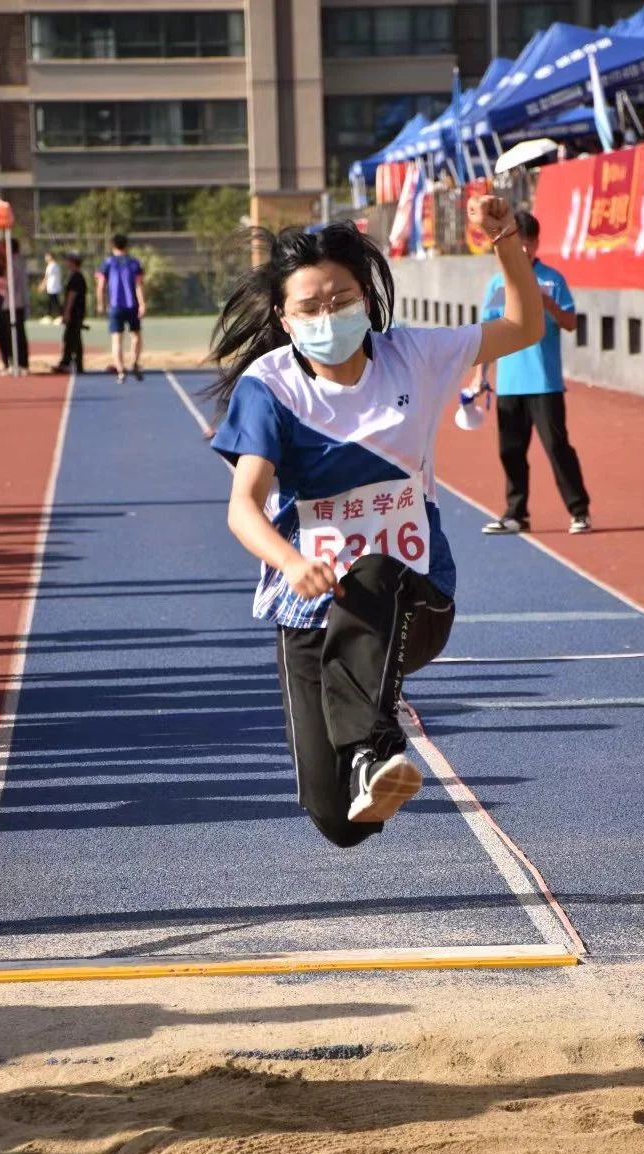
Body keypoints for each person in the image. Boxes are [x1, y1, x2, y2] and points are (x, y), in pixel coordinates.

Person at [210, 201, 544, 848]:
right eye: (309, 307)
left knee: (374, 569)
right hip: (310, 607)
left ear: (366, 297)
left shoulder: (413, 354)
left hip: (414, 596)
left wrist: (506, 240)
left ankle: (372, 749)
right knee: (339, 822)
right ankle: (364, 762)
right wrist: (291, 561)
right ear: (283, 318)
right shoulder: (269, 387)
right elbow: (242, 505)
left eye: (341, 299)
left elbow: (523, 325)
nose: (327, 316)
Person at [473, 210, 591, 535]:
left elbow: (570, 323)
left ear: (537, 243)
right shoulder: (499, 283)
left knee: (557, 447)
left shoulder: (552, 279)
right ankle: (516, 513)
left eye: (529, 243)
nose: (524, 250)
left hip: (544, 382)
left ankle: (579, 511)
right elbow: (488, 333)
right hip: (510, 384)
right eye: (518, 243)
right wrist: (480, 375)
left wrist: (548, 304)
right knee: (510, 451)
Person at [95, 233, 145, 384]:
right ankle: (134, 363)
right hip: (132, 305)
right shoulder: (134, 263)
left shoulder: (108, 263)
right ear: (127, 245)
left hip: (115, 306)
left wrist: (101, 304)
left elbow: (100, 286)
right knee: (136, 336)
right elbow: (138, 285)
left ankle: (121, 371)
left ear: (112, 246)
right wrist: (142, 303)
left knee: (117, 340)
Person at [0, 239, 29, 375]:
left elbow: (10, 284)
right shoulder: (3, 264)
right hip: (6, 304)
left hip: (12, 304)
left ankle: (19, 363)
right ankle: (11, 363)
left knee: (15, 334)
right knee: (7, 335)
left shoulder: (14, 263)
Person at [51, 252, 87, 374]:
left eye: (68, 260)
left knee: (71, 337)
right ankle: (76, 363)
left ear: (73, 262)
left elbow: (72, 296)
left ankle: (67, 363)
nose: (66, 263)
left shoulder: (76, 277)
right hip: (76, 312)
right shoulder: (75, 276)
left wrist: (67, 312)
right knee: (74, 338)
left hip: (75, 313)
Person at [39, 251, 63, 323]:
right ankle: (49, 316)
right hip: (52, 287)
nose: (45, 258)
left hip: (53, 288)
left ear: (50, 256)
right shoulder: (55, 265)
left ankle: (61, 316)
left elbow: (46, 277)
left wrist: (42, 285)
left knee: (55, 302)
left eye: (47, 256)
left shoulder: (51, 266)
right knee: (51, 302)